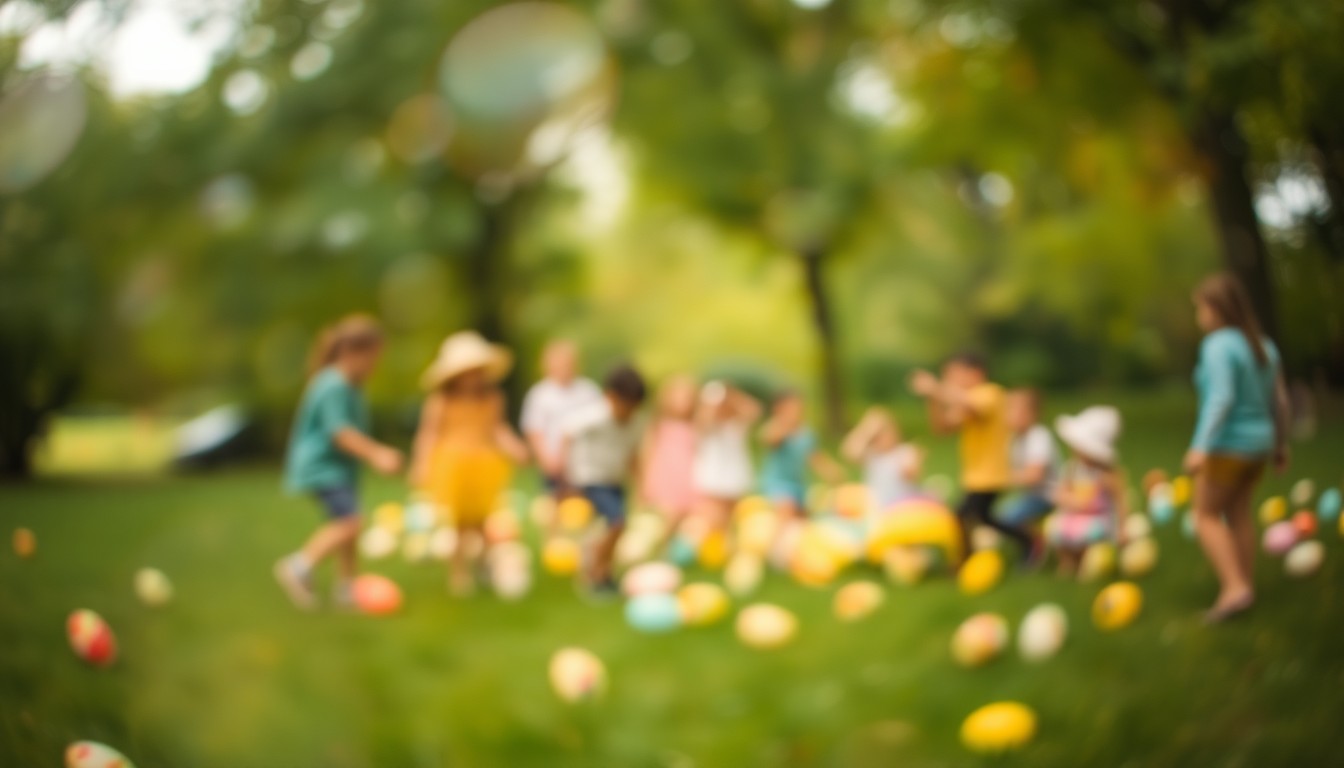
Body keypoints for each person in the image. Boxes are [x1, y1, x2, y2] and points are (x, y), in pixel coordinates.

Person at [275, 315, 404, 610]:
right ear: (352, 352)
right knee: (350, 522)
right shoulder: (333, 384)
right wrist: (377, 454)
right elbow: (341, 433)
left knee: (348, 524)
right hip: (323, 467)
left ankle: (346, 588)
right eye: (372, 359)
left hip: (340, 468)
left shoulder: (349, 385)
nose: (374, 367)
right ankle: (298, 567)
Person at [1184, 273, 1290, 623]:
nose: (1199, 316)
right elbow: (1280, 402)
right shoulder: (1263, 345)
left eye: (1200, 308)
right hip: (1259, 445)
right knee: (1239, 513)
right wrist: (1280, 444)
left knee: (1205, 516)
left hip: (1228, 445)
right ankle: (1245, 585)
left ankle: (1234, 588)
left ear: (1216, 309)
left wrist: (1200, 446)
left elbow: (1221, 398)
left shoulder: (1217, 345)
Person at [410, 331, 528, 595]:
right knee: (460, 524)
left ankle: (484, 564)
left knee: (483, 522)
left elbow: (497, 429)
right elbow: (429, 433)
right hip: (454, 466)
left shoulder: (492, 398)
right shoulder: (441, 401)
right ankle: (459, 572)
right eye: (468, 372)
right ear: (455, 375)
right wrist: (422, 463)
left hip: (484, 464)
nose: (474, 377)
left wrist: (514, 447)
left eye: (478, 371)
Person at [909, 353, 1035, 564]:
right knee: (984, 518)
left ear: (975, 373)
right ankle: (1027, 541)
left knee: (961, 516)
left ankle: (964, 561)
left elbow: (972, 407)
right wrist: (932, 399)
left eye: (954, 374)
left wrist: (935, 388)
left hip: (991, 474)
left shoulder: (990, 393)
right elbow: (942, 429)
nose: (950, 380)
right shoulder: (966, 400)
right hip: (976, 475)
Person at [555, 364, 649, 591]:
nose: (628, 412)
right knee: (617, 523)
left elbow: (633, 454)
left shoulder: (635, 423)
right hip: (590, 479)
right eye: (625, 405)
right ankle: (595, 574)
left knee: (609, 530)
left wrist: (640, 484)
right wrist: (564, 471)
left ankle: (603, 571)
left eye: (634, 407)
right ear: (610, 397)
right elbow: (567, 432)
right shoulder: (595, 416)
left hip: (614, 480)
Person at [1045, 406, 1129, 577]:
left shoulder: (1106, 474)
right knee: (1057, 527)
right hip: (1075, 514)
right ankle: (1068, 561)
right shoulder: (1073, 468)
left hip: (1098, 517)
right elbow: (1062, 490)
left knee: (1091, 534)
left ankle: (1086, 560)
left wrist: (1122, 528)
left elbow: (1120, 500)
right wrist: (1066, 499)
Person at [521, 340, 603, 502]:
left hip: (585, 467)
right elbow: (534, 431)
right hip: (554, 467)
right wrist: (549, 461)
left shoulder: (589, 391)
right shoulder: (539, 394)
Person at [759, 390, 846, 519]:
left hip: (798, 485)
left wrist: (831, 471)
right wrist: (786, 425)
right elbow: (768, 439)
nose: (797, 410)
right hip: (778, 485)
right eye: (791, 406)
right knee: (786, 513)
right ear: (779, 408)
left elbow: (814, 456)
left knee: (803, 519)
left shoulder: (806, 432)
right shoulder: (775, 426)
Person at [692, 381, 761, 533]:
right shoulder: (706, 423)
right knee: (712, 520)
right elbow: (704, 421)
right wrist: (711, 406)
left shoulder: (737, 423)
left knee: (733, 522)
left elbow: (755, 411)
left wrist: (733, 397)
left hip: (735, 478)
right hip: (712, 479)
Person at [640, 374, 698, 549]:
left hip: (687, 477)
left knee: (686, 518)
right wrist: (645, 478)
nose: (683, 402)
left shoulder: (695, 425)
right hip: (665, 476)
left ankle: (676, 550)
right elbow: (648, 450)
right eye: (678, 397)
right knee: (666, 516)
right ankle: (661, 547)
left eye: (687, 397)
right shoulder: (660, 424)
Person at [841, 406, 925, 513]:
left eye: (885, 432)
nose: (881, 438)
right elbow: (849, 452)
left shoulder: (905, 451)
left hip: (903, 510)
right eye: (877, 435)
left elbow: (912, 471)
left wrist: (908, 467)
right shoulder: (871, 455)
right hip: (877, 510)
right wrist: (867, 431)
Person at [998, 389, 1059, 528]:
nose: (1007, 415)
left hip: (1047, 497)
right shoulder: (1015, 440)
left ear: (1031, 414)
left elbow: (1034, 476)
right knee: (999, 514)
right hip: (1029, 496)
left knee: (1004, 519)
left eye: (1013, 409)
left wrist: (1001, 477)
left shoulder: (1038, 436)